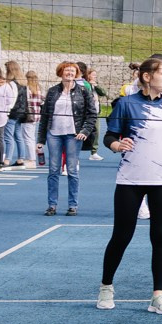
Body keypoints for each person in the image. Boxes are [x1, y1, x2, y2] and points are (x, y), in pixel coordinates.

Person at [98, 55, 162, 315]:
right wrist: (117, 145)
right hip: (130, 179)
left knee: (161, 237)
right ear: (147, 77)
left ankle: (158, 296)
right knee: (121, 236)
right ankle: (106, 286)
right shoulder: (126, 104)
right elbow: (109, 136)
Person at [38, 61, 95, 216]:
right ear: (61, 73)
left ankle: (72, 205)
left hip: (73, 135)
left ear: (76, 73)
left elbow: (92, 114)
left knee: (72, 170)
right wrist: (40, 139)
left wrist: (85, 130)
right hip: (54, 133)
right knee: (53, 170)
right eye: (66, 70)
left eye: (72, 71)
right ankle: (52, 205)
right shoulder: (52, 91)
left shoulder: (83, 91)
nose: (69, 73)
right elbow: (44, 117)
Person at [6, 60, 37, 167]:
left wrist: (7, 111)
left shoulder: (11, 83)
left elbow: (12, 99)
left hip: (13, 112)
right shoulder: (24, 83)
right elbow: (27, 99)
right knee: (18, 136)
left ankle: (7, 159)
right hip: (21, 112)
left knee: (8, 136)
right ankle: (21, 158)